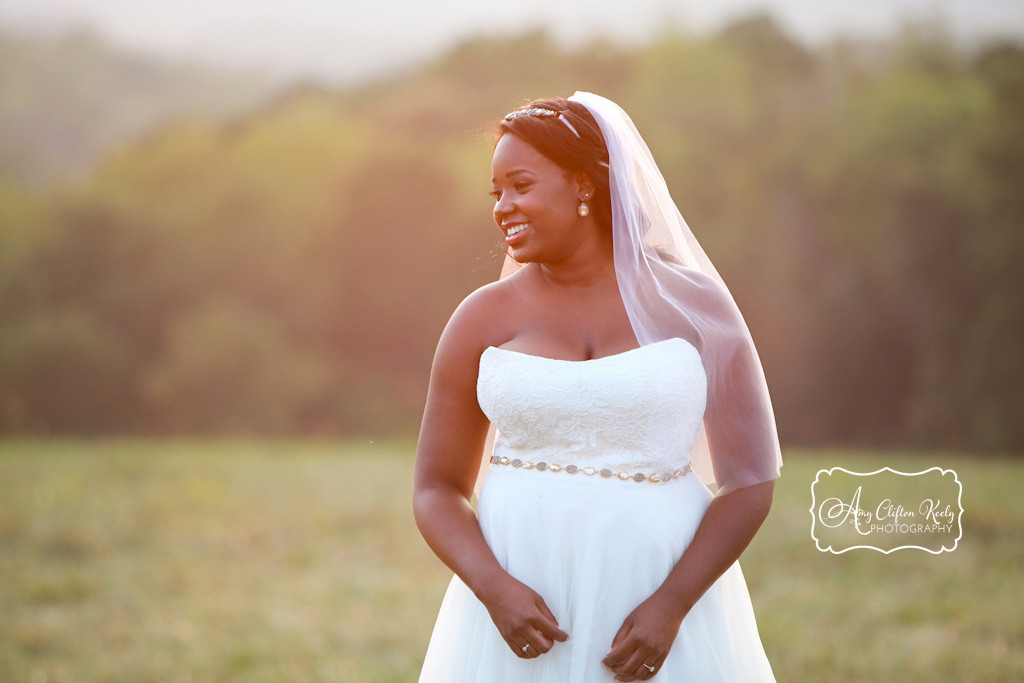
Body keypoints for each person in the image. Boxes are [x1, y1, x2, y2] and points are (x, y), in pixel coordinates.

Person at [413, 92, 782, 682]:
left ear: (584, 186)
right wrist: (494, 589)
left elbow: (750, 481)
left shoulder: (693, 307)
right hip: (518, 607)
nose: (503, 206)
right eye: (496, 192)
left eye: (521, 185)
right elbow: (435, 488)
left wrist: (671, 606)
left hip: (657, 598)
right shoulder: (480, 319)